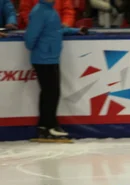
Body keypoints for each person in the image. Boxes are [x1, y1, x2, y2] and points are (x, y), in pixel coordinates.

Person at [23, 0, 88, 141]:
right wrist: (42, 49)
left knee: (50, 93)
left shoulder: (50, 10)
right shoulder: (40, 11)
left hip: (50, 57)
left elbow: (57, 29)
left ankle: (44, 126)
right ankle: (50, 126)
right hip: (43, 58)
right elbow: (30, 37)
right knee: (51, 93)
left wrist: (76, 30)